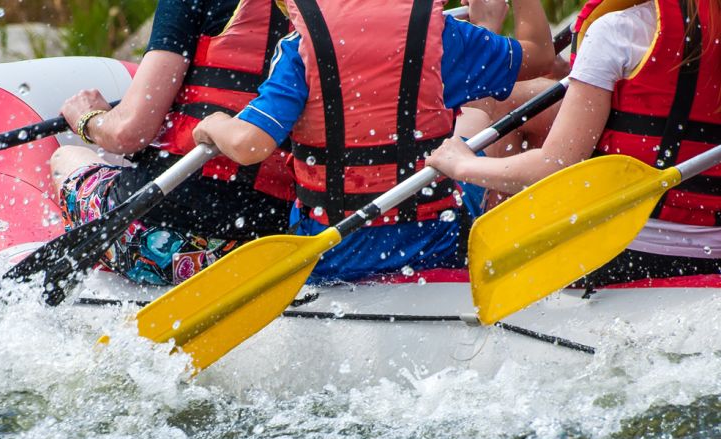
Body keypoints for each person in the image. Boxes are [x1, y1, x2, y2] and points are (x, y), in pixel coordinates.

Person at [192, 0, 555, 282]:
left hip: (333, 253)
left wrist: (214, 124)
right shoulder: (438, 33)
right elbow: (539, 55)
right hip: (435, 242)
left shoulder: (301, 47)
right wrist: (487, 24)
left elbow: (248, 145)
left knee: (475, 115)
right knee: (478, 117)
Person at [427, 0, 721, 285]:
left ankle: (494, 265)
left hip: (624, 253)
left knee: (488, 108)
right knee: (517, 100)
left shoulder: (618, 31)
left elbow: (554, 167)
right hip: (714, 253)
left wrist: (463, 164)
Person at [51, 0, 295, 285]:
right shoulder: (324, 15)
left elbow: (128, 133)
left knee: (67, 157)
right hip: (276, 243)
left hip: (162, 240)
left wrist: (88, 118)